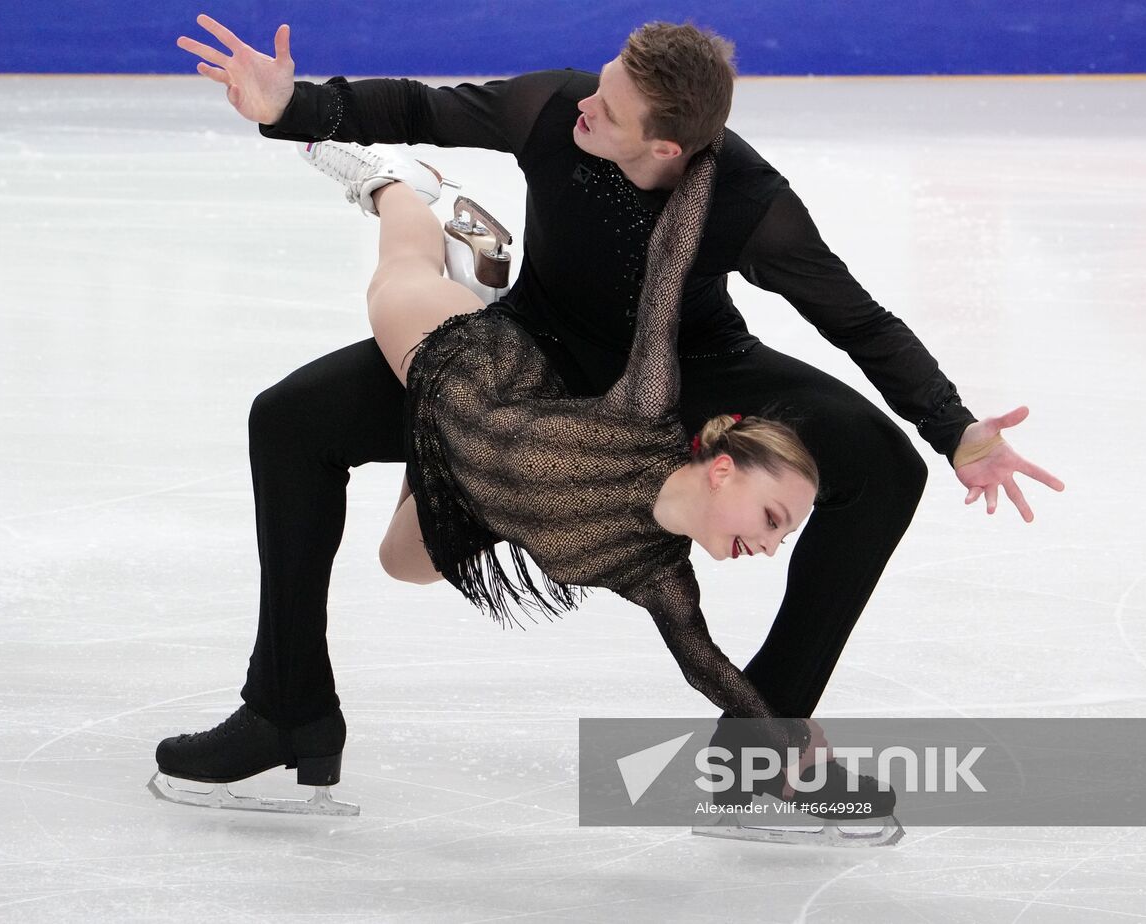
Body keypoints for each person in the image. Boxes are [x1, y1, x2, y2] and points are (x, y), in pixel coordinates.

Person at [156, 16, 1063, 804]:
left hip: (692, 367)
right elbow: (420, 108)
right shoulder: (558, 106)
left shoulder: (745, 202)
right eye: (604, 82)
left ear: (666, 147)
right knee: (290, 419)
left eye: (615, 109)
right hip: (535, 344)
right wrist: (294, 108)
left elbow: (855, 318)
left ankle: (763, 743)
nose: (591, 103)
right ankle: (288, 707)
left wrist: (957, 430)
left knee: (885, 465)